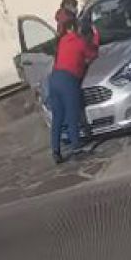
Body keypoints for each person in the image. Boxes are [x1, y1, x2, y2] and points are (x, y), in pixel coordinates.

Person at [48, 18, 99, 164]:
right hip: (68, 80)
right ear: (79, 30)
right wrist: (96, 37)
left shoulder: (63, 40)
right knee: (71, 115)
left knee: (57, 117)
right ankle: (77, 149)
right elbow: (92, 53)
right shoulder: (80, 42)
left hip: (54, 79)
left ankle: (56, 151)